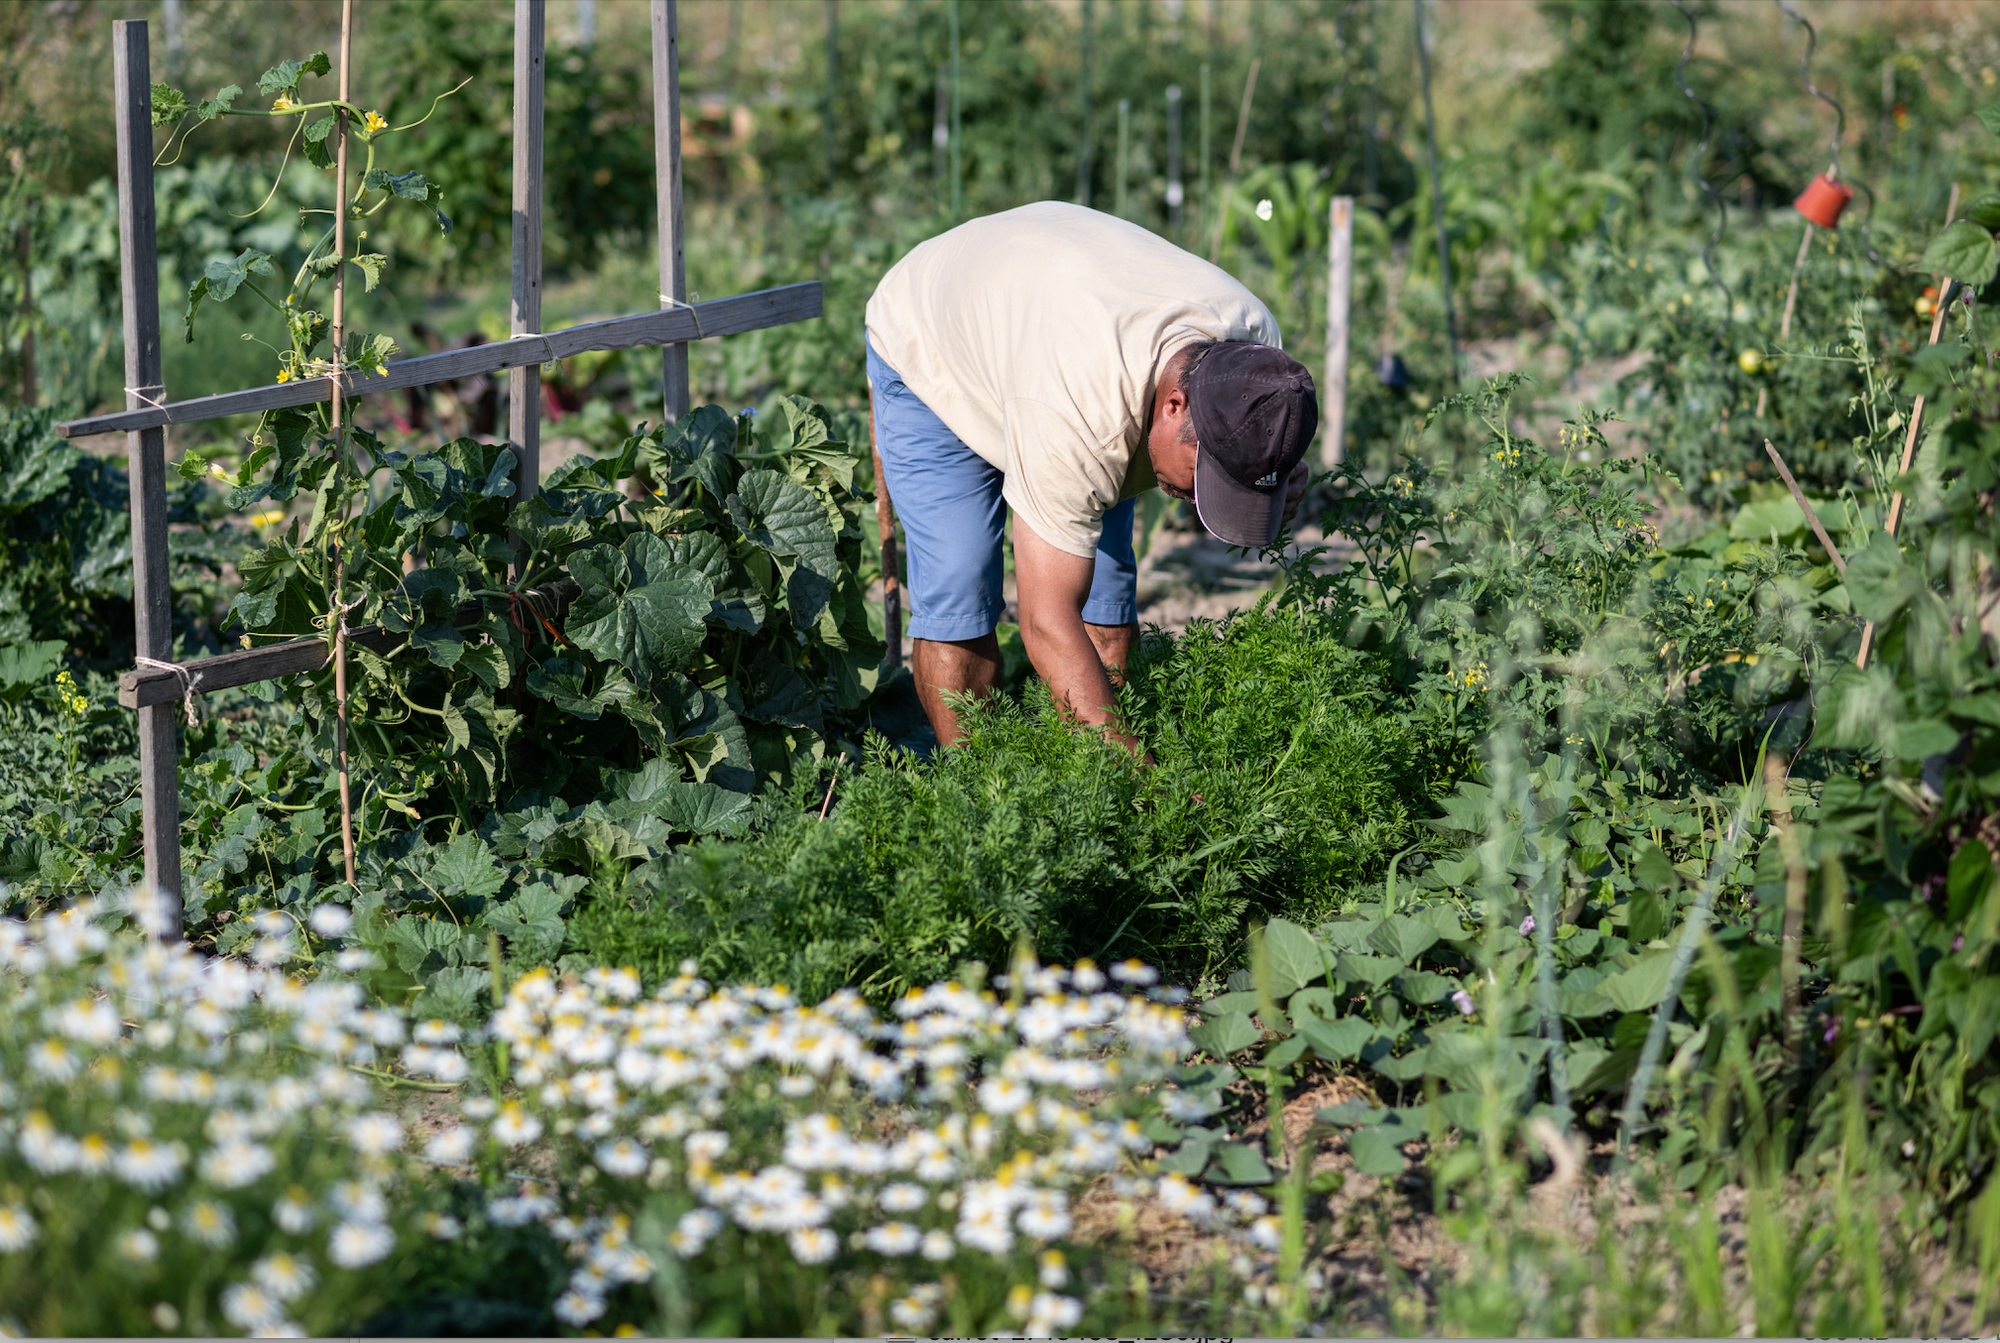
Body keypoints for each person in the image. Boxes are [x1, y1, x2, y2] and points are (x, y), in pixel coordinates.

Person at [864, 200, 1318, 751]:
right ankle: (977, 795)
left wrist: (1272, 478)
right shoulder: (1082, 415)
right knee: (960, 591)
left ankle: (1087, 780)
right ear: (1174, 405)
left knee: (1107, 598)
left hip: (1052, 321)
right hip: (936, 343)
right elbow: (1045, 622)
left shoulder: (1258, 362)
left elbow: (1265, 439)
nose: (1197, 500)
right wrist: (1145, 781)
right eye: (1202, 478)